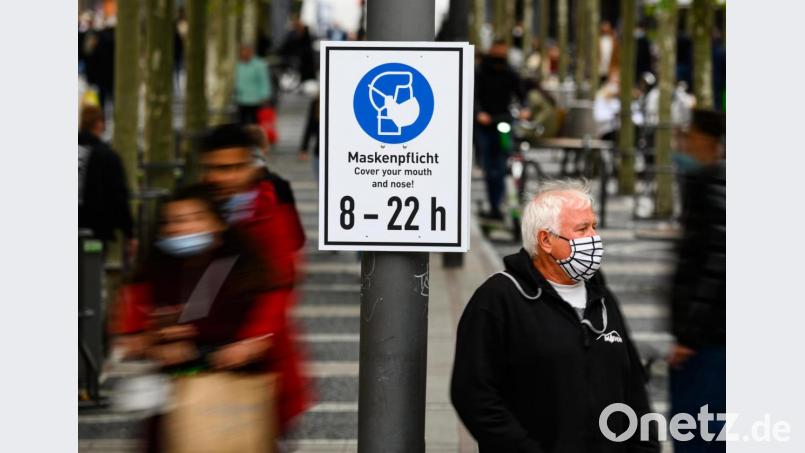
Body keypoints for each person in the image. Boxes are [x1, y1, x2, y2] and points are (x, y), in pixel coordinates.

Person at [451, 180, 659, 453]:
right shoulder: (499, 299)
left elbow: (633, 390)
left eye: (594, 227)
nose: (594, 239)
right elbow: (474, 395)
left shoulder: (602, 299)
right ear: (546, 240)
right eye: (582, 229)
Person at [112, 184, 303, 449]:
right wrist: (152, 341)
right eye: (174, 221)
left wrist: (245, 346)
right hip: (172, 400)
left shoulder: (246, 269)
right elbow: (130, 332)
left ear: (217, 224)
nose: (183, 228)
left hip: (236, 396)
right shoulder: (155, 271)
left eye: (194, 218)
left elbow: (268, 321)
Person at [667, 109, 726, 452]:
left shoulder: (708, 184)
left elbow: (714, 262)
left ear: (705, 140)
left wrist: (689, 334)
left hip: (709, 340)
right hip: (710, 337)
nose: (682, 141)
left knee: (698, 432)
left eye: (688, 134)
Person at [474, 39, 527, 220]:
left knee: (503, 161)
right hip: (485, 125)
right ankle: (494, 204)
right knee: (490, 167)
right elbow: (473, 95)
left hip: (504, 122)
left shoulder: (509, 72)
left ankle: (505, 199)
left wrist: (524, 109)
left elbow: (521, 93)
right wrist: (478, 113)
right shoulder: (480, 72)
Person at [79, 104, 136, 258]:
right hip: (95, 232)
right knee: (90, 273)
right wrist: (129, 233)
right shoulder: (107, 156)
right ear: (99, 123)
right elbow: (119, 196)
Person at [234, 45, 271, 125]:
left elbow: (264, 81)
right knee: (241, 123)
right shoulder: (238, 65)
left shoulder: (259, 65)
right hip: (241, 99)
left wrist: (265, 95)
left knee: (255, 122)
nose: (245, 53)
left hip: (255, 99)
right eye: (243, 51)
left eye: (247, 51)